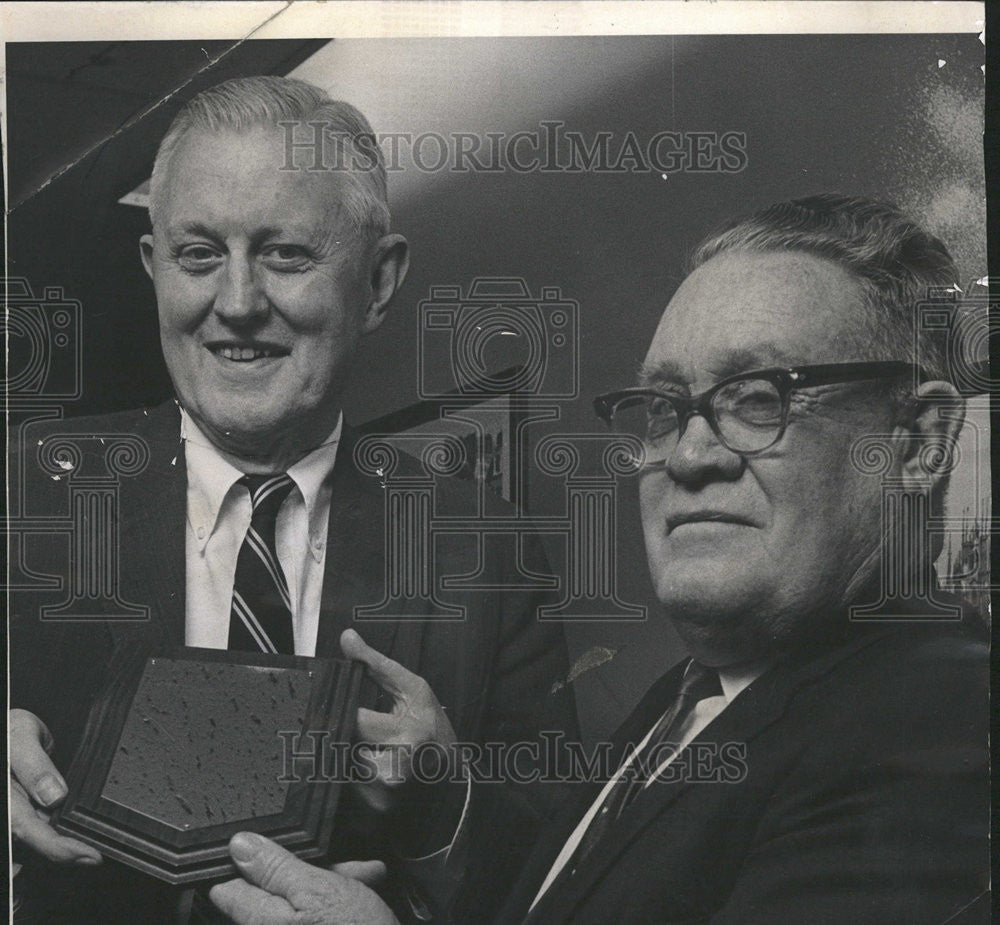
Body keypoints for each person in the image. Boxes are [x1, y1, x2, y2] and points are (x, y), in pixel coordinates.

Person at [206, 194, 989, 924]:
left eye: (760, 399)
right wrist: (441, 798)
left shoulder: (943, 729)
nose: (687, 455)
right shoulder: (689, 696)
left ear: (916, 443)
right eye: (664, 408)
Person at [8, 76, 576, 922]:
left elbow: (566, 865)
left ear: (378, 282)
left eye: (286, 255)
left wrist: (443, 798)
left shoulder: (482, 548)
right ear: (154, 267)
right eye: (199, 254)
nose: (236, 304)